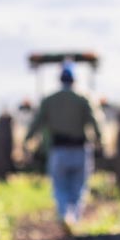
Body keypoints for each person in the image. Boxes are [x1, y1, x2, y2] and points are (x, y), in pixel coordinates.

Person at [25, 62, 103, 230]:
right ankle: (73, 219)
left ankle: (64, 215)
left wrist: (27, 141)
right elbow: (95, 122)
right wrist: (99, 141)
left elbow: (36, 123)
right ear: (74, 80)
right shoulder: (83, 98)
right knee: (78, 188)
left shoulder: (49, 100)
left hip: (58, 151)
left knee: (60, 187)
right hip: (80, 150)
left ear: (60, 79)